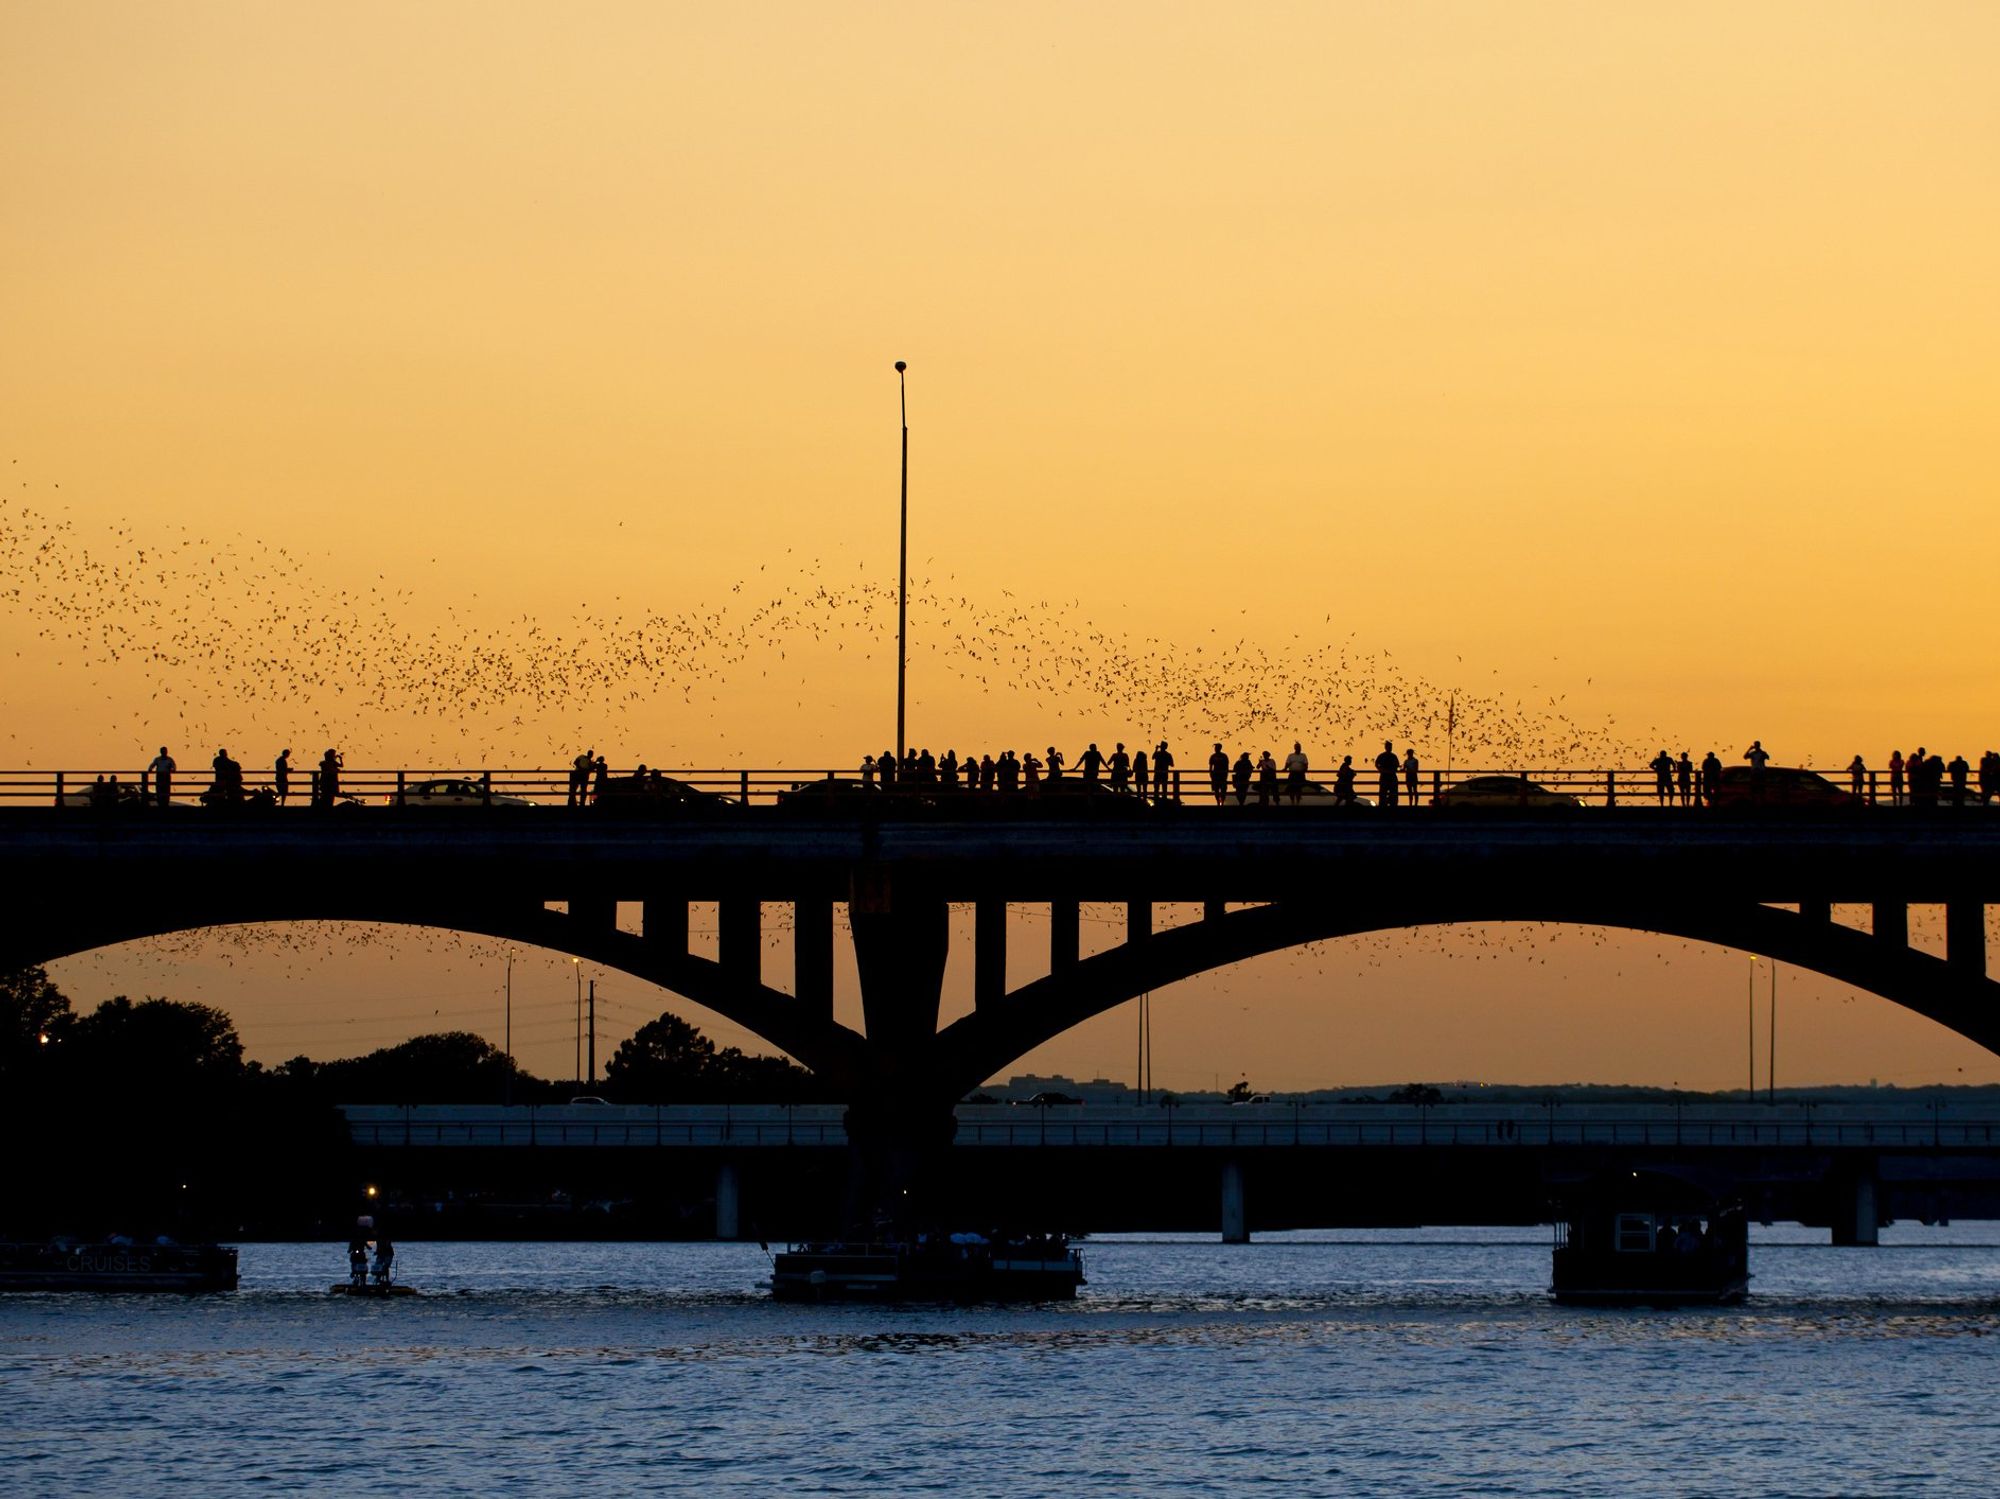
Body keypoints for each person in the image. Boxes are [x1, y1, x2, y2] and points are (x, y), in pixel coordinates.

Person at [1374, 741, 1399, 807]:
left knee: (1392, 792)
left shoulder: (1393, 756)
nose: (1390, 748)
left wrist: (1381, 769)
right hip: (1386, 776)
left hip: (1390, 776)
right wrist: (1381, 770)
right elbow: (1376, 764)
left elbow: (1397, 765)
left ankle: (1392, 804)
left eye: (1390, 747)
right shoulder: (1383, 756)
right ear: (1386, 747)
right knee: (1383, 792)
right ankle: (1383, 804)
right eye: (1389, 747)